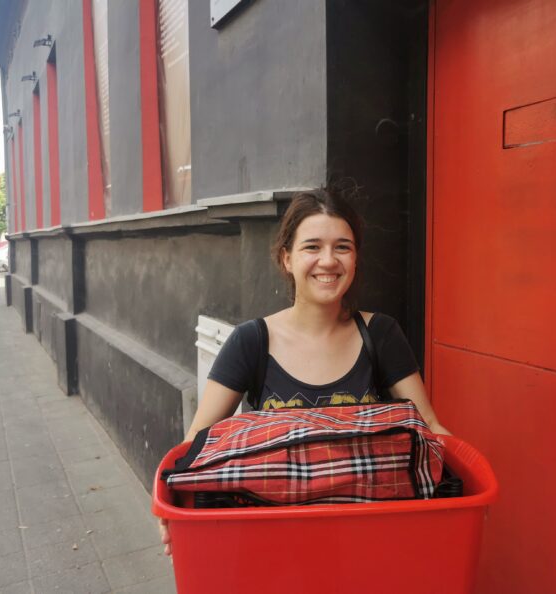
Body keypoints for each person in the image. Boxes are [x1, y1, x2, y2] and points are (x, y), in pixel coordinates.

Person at [159, 186, 450, 555]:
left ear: (356, 257)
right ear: (286, 258)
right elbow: (198, 438)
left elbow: (429, 428)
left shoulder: (382, 334)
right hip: (275, 545)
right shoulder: (252, 341)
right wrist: (169, 501)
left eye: (342, 247)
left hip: (367, 541)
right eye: (312, 247)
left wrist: (470, 482)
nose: (328, 260)